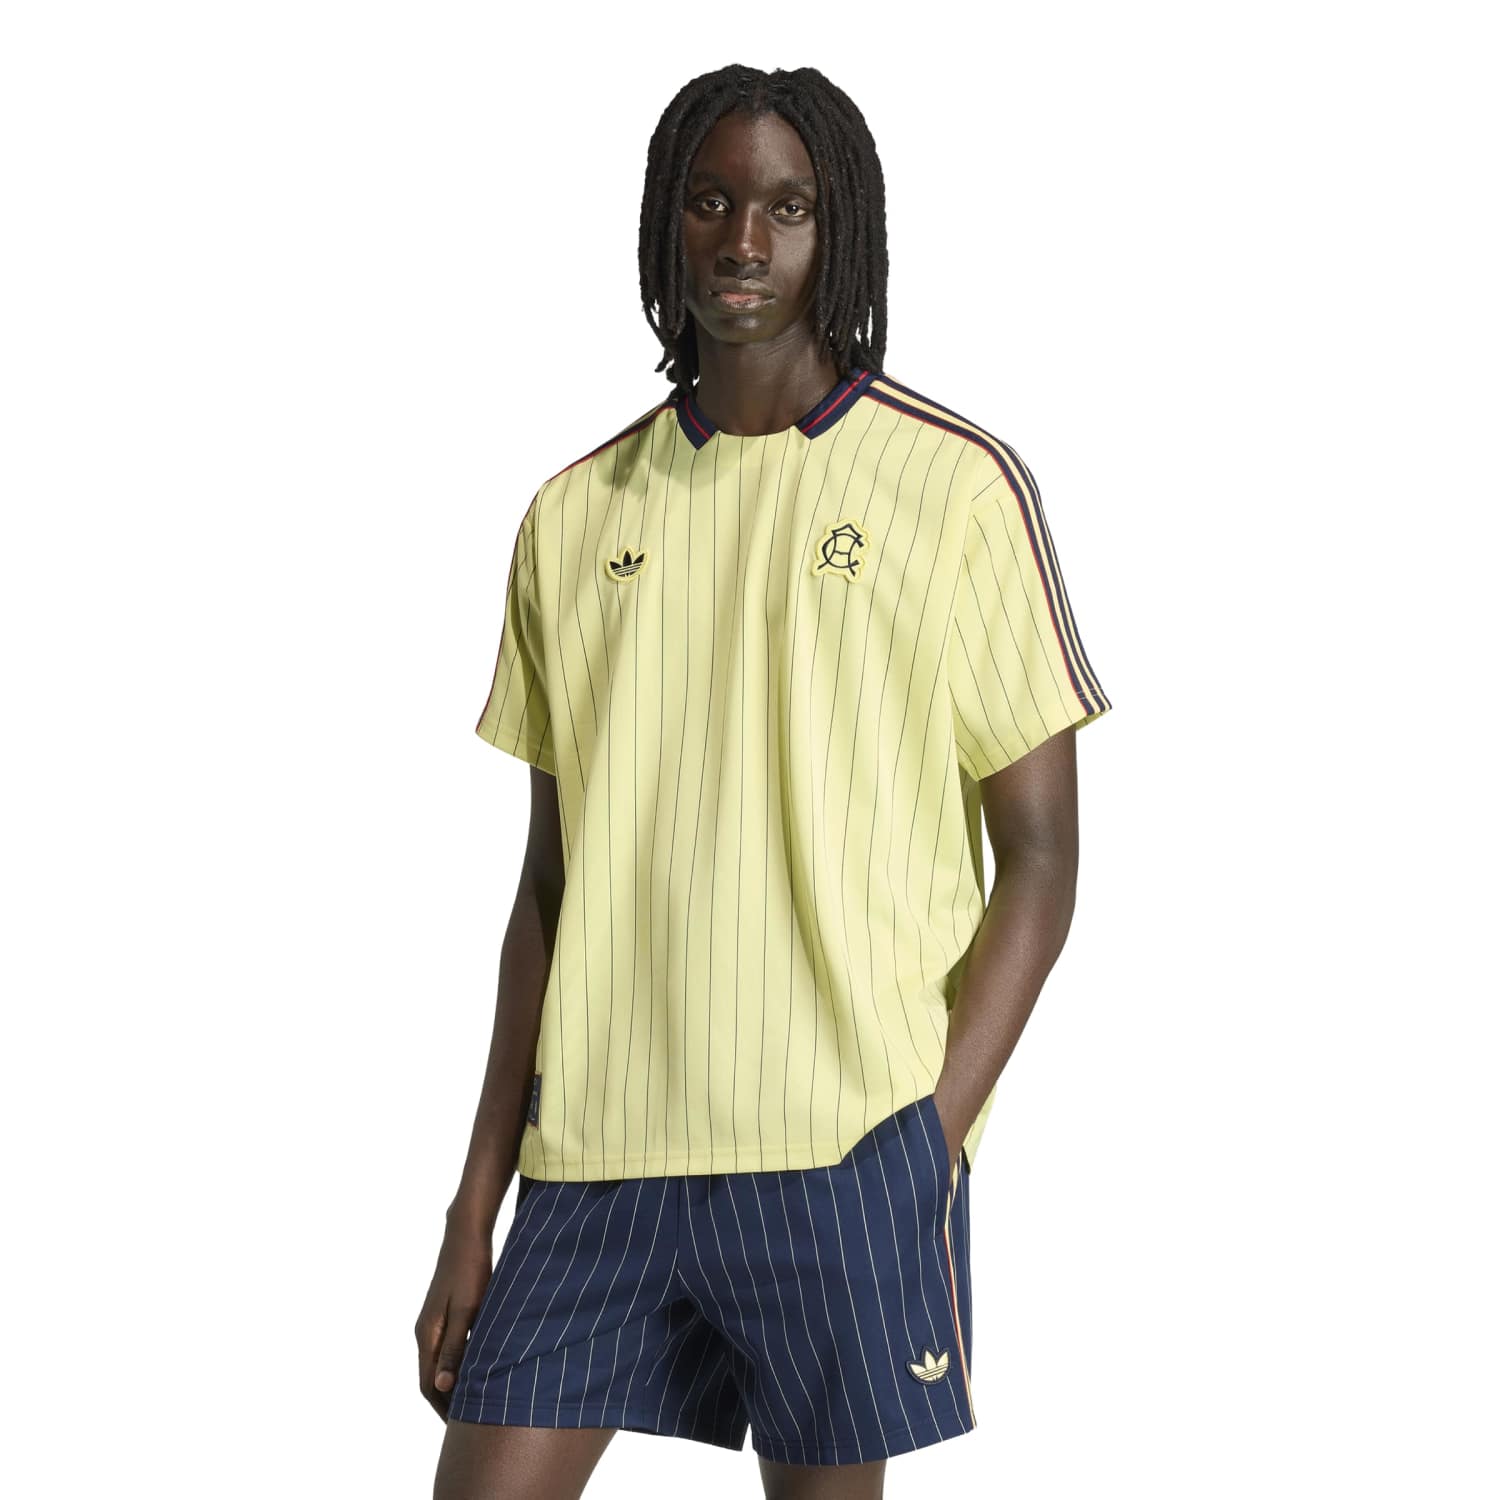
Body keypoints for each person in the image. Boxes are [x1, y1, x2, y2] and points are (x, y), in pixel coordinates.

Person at [418, 63, 1113, 1500]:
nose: (745, 240)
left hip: (841, 1153)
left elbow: (1042, 864)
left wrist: (924, 1146)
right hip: (596, 1156)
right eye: (712, 202)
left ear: (838, 228)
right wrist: (474, 1204)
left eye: (787, 208)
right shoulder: (572, 516)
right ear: (664, 223)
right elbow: (549, 888)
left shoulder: (956, 489)